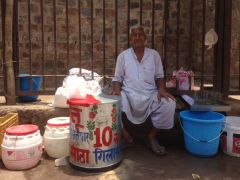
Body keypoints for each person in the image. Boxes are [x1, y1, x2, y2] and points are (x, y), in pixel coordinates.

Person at [112, 25, 176, 156]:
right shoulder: (123, 56)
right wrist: (117, 93)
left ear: (145, 38)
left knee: (169, 104)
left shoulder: (154, 55)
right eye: (134, 35)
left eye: (140, 35)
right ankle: (127, 137)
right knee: (113, 105)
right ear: (130, 39)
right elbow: (117, 78)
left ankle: (151, 137)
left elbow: (159, 76)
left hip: (150, 94)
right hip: (129, 95)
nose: (137, 37)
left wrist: (162, 90)